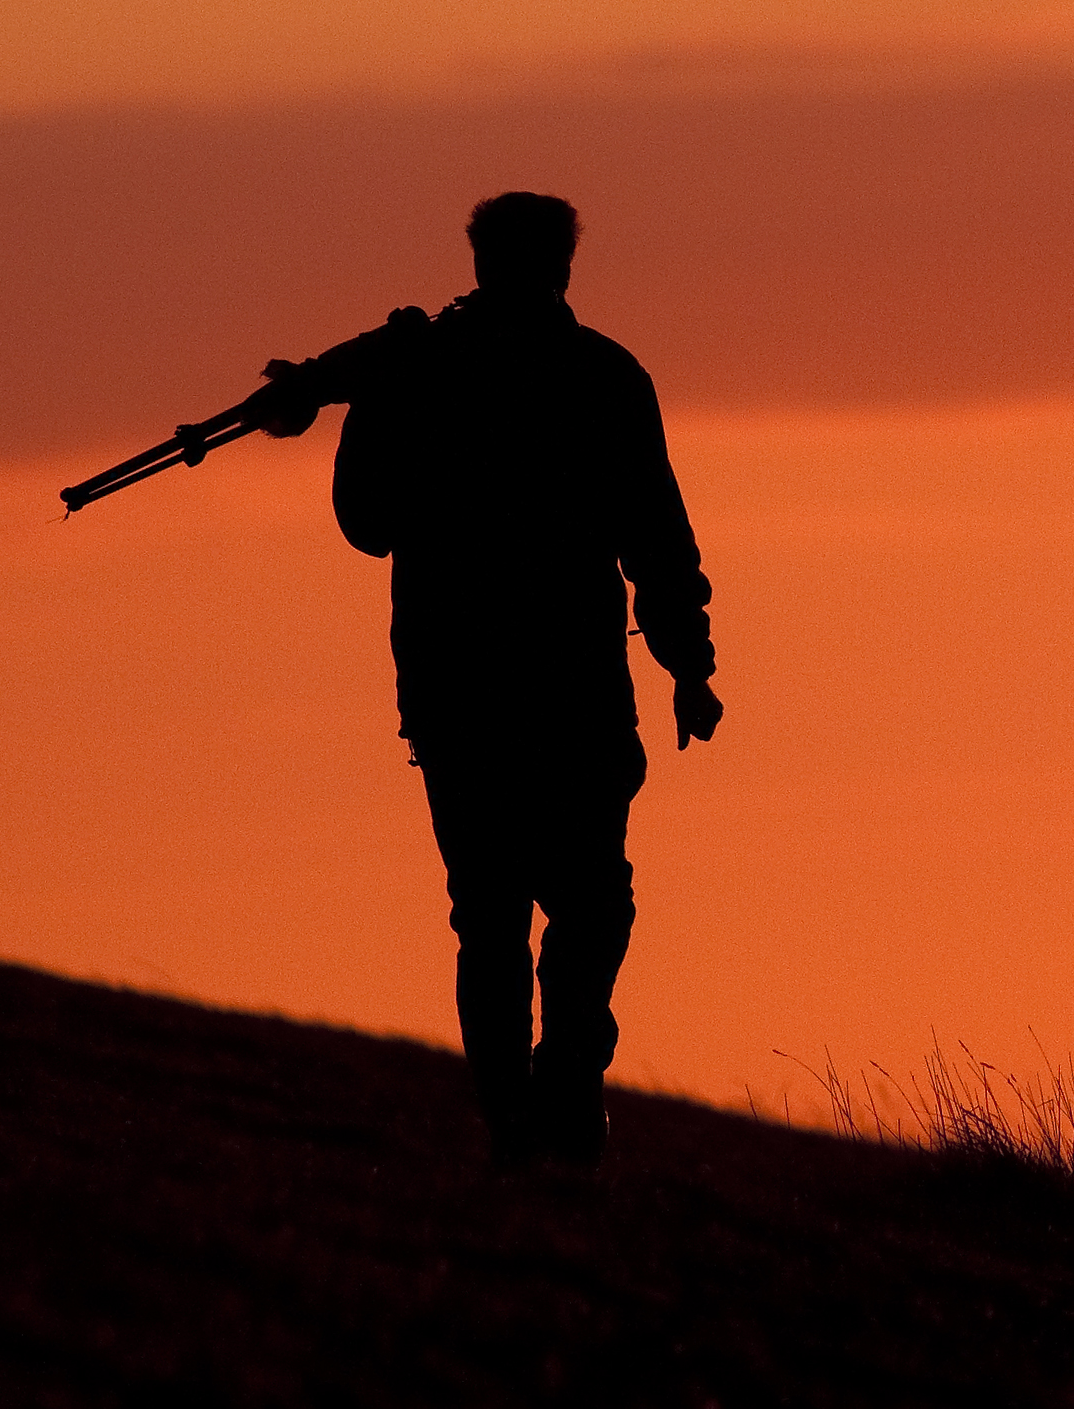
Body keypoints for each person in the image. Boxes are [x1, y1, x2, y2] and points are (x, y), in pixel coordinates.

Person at [244, 192, 720, 1168]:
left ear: (476, 259)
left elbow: (367, 523)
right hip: (577, 692)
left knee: (490, 915)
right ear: (565, 267)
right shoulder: (603, 376)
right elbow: (656, 539)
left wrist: (364, 398)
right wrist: (688, 664)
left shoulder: (418, 374)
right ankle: (567, 1096)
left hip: (456, 694)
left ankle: (515, 1120)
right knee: (589, 905)